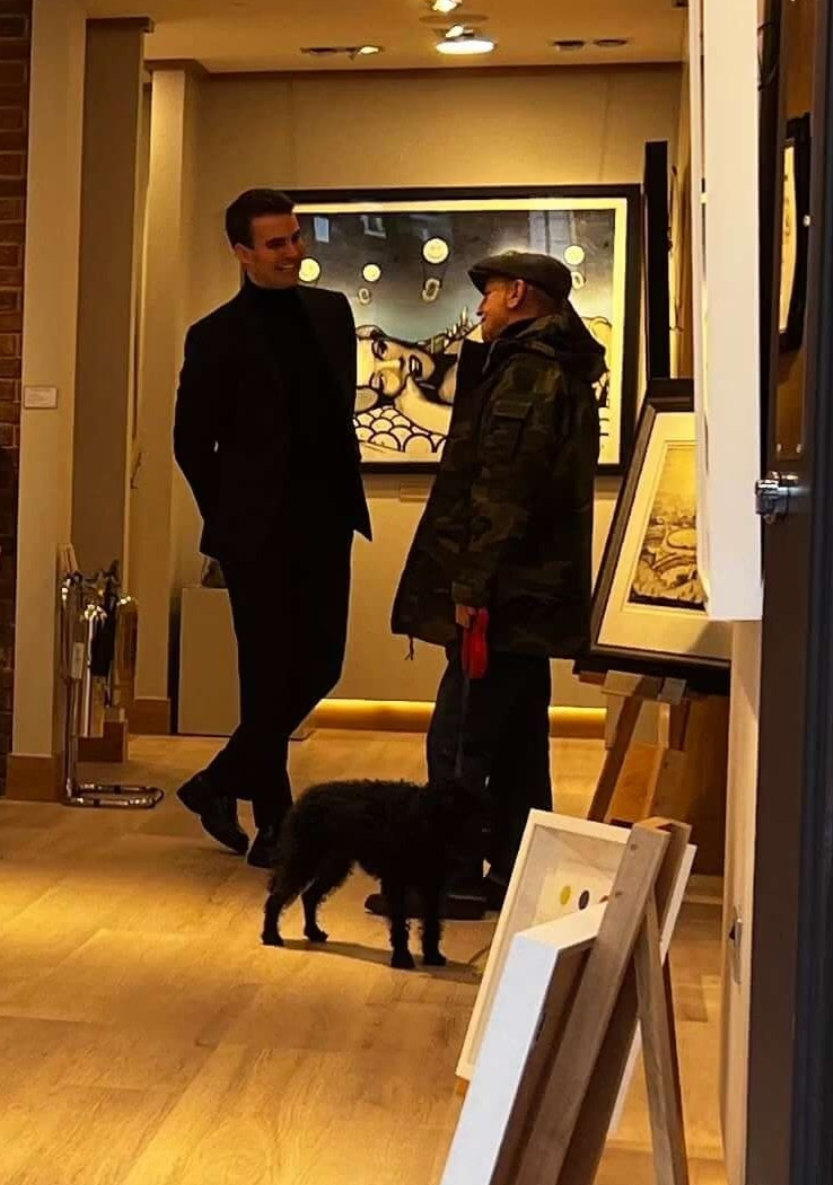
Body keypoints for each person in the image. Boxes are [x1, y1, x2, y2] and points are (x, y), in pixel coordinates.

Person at [389, 248, 605, 916]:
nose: (480, 308)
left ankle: (450, 875)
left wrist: (470, 587)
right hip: (530, 600)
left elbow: (502, 490)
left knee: (461, 739)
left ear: (517, 294)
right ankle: (517, 870)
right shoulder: (558, 368)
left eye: (488, 294)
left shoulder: (527, 374)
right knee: (518, 744)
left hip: (503, 598)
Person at [172, 187, 370, 867]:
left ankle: (216, 782)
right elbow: (190, 444)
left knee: (322, 665)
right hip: (255, 534)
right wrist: (228, 518)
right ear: (243, 253)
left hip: (328, 520)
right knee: (265, 674)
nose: (293, 252)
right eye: (276, 243)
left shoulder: (332, 313)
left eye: (296, 237)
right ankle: (274, 825)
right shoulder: (214, 336)